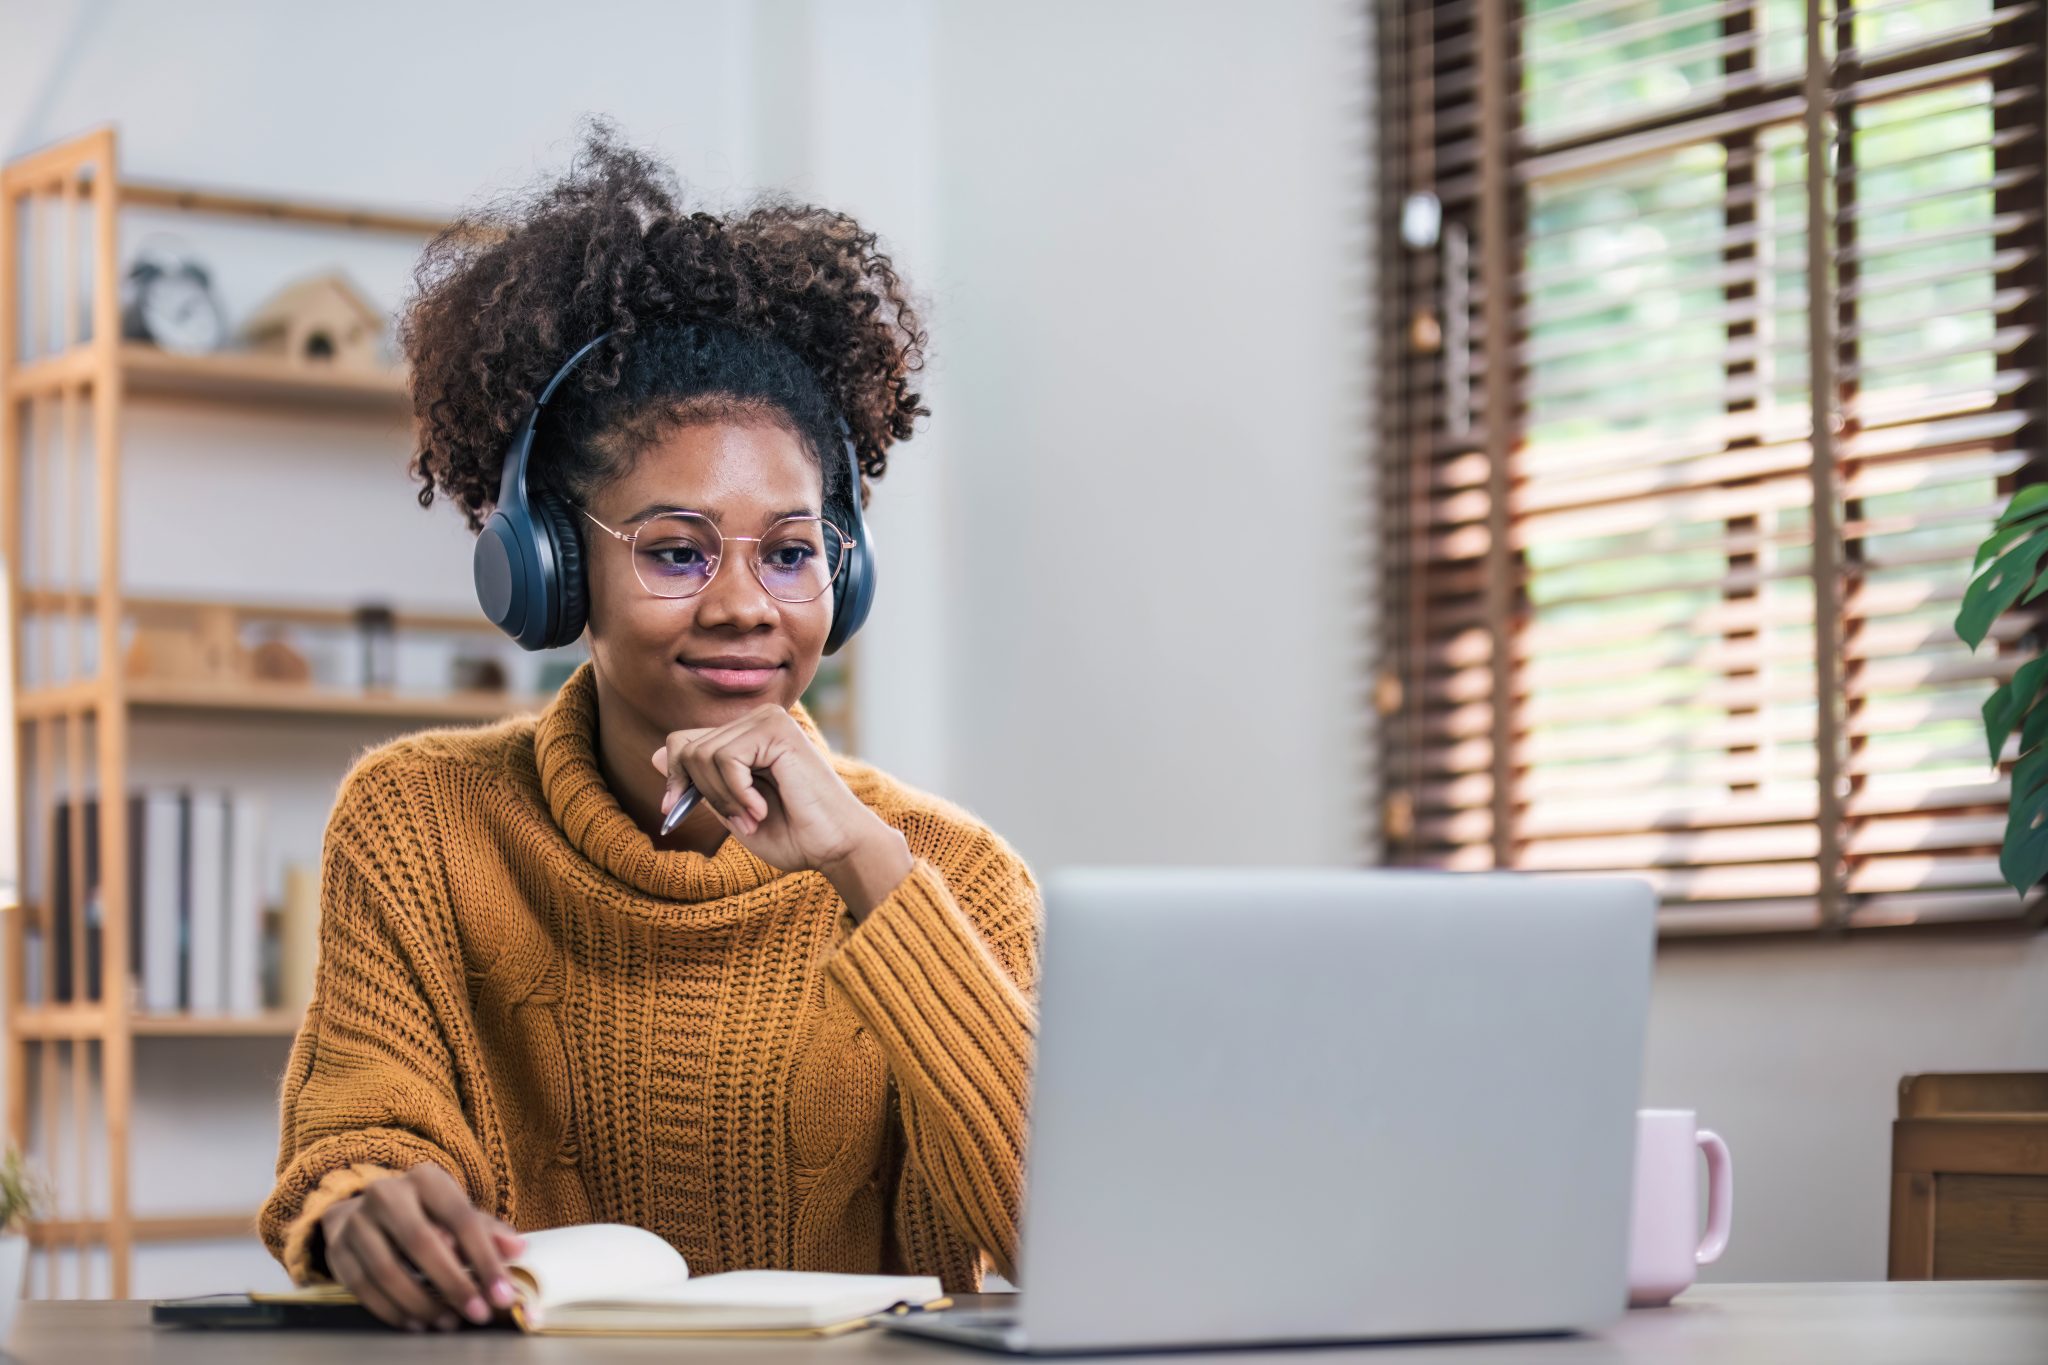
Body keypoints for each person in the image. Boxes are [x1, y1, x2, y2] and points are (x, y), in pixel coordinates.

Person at [257, 123, 1038, 1333]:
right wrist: (364, 1203)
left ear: (845, 576)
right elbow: (360, 1125)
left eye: (790, 553)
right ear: (550, 570)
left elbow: (1065, 1234)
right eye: (675, 550)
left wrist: (867, 871)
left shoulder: (956, 876)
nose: (741, 605)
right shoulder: (419, 822)